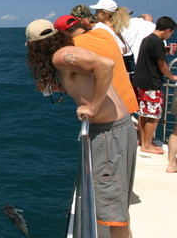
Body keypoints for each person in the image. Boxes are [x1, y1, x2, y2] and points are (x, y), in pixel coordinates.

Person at [26, 19, 136, 238]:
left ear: (34, 46)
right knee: (115, 207)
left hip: (108, 134)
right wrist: (61, 88)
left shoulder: (60, 57)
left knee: (113, 212)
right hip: (117, 130)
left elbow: (105, 65)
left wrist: (93, 107)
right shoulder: (68, 53)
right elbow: (90, 81)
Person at [54, 15, 138, 114]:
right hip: (129, 99)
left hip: (110, 107)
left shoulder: (73, 47)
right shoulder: (103, 32)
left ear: (62, 33)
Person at [132, 16, 177, 155]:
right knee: (154, 116)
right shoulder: (158, 42)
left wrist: (165, 50)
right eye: (171, 33)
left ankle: (142, 140)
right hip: (152, 83)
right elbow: (162, 65)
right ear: (168, 30)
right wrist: (172, 77)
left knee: (143, 113)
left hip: (140, 81)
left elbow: (152, 55)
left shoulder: (148, 39)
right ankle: (147, 144)